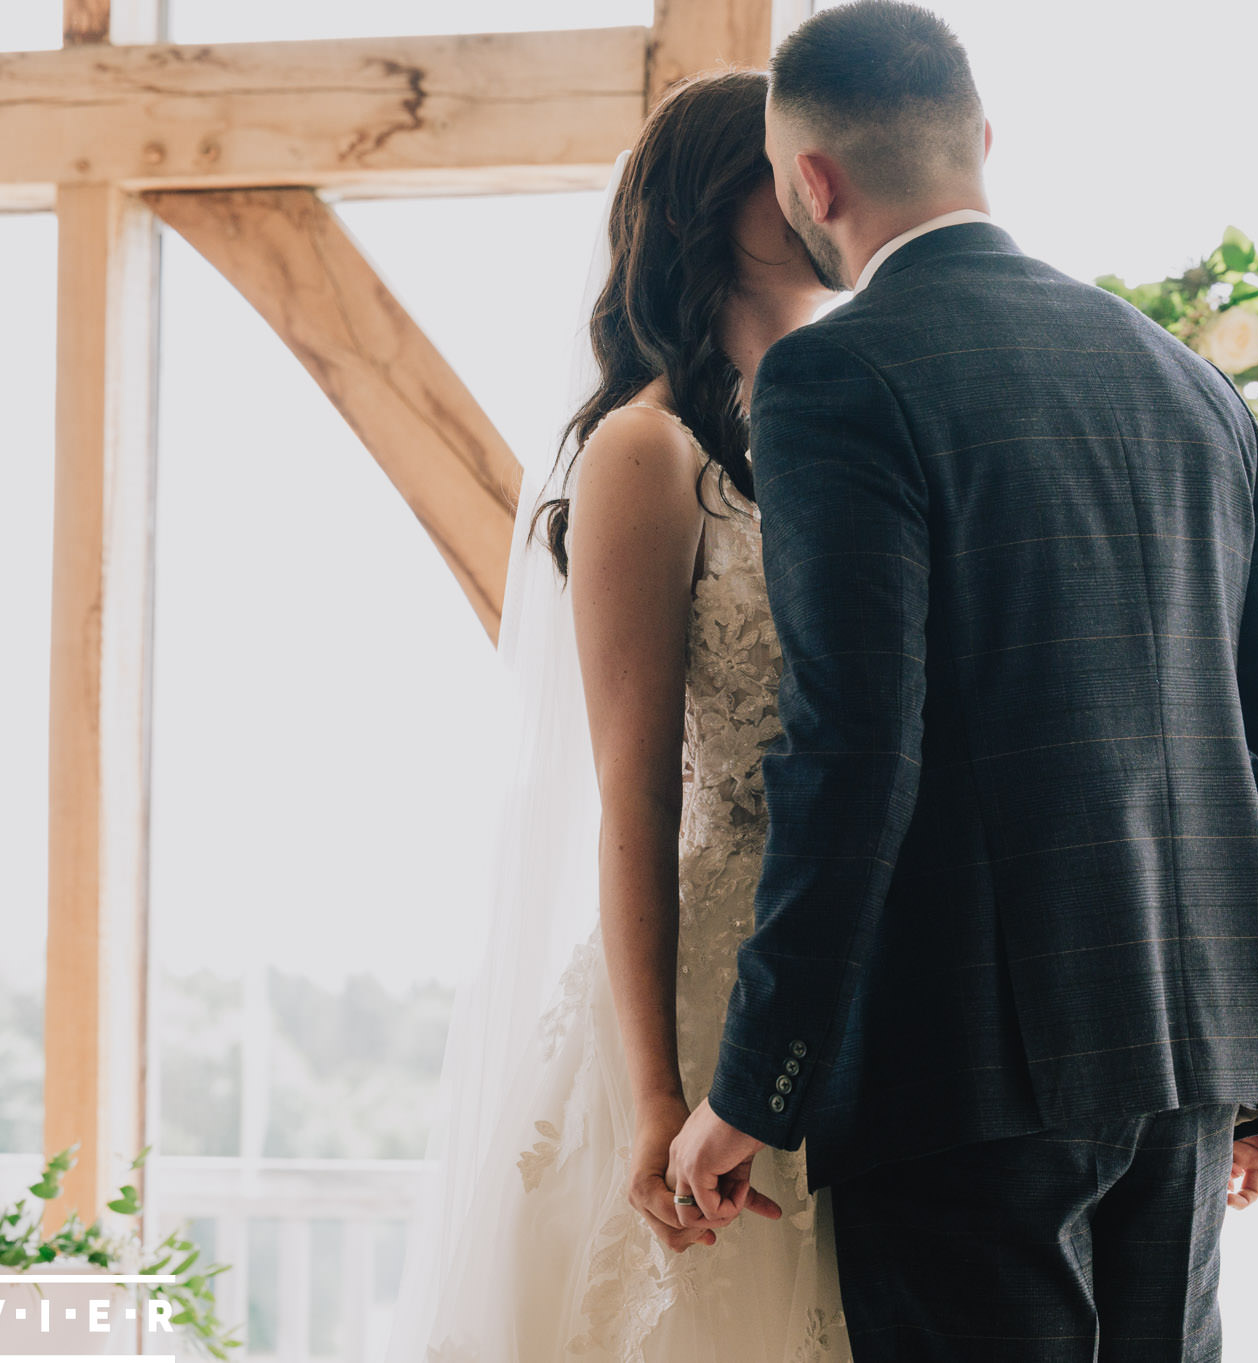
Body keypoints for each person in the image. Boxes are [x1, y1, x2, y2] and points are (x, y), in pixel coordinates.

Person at [665, 4, 1258, 1359]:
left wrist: (760, 1083)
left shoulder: (833, 378)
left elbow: (856, 746)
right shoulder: (1187, 381)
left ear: (811, 181)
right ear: (981, 141)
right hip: (1186, 1058)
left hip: (963, 1063)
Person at [381, 70, 851, 1362]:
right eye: (790, 162)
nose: (830, 186)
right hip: (707, 978)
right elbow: (636, 792)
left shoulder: (839, 430)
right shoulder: (648, 452)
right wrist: (655, 1094)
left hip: (851, 975)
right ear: (717, 200)